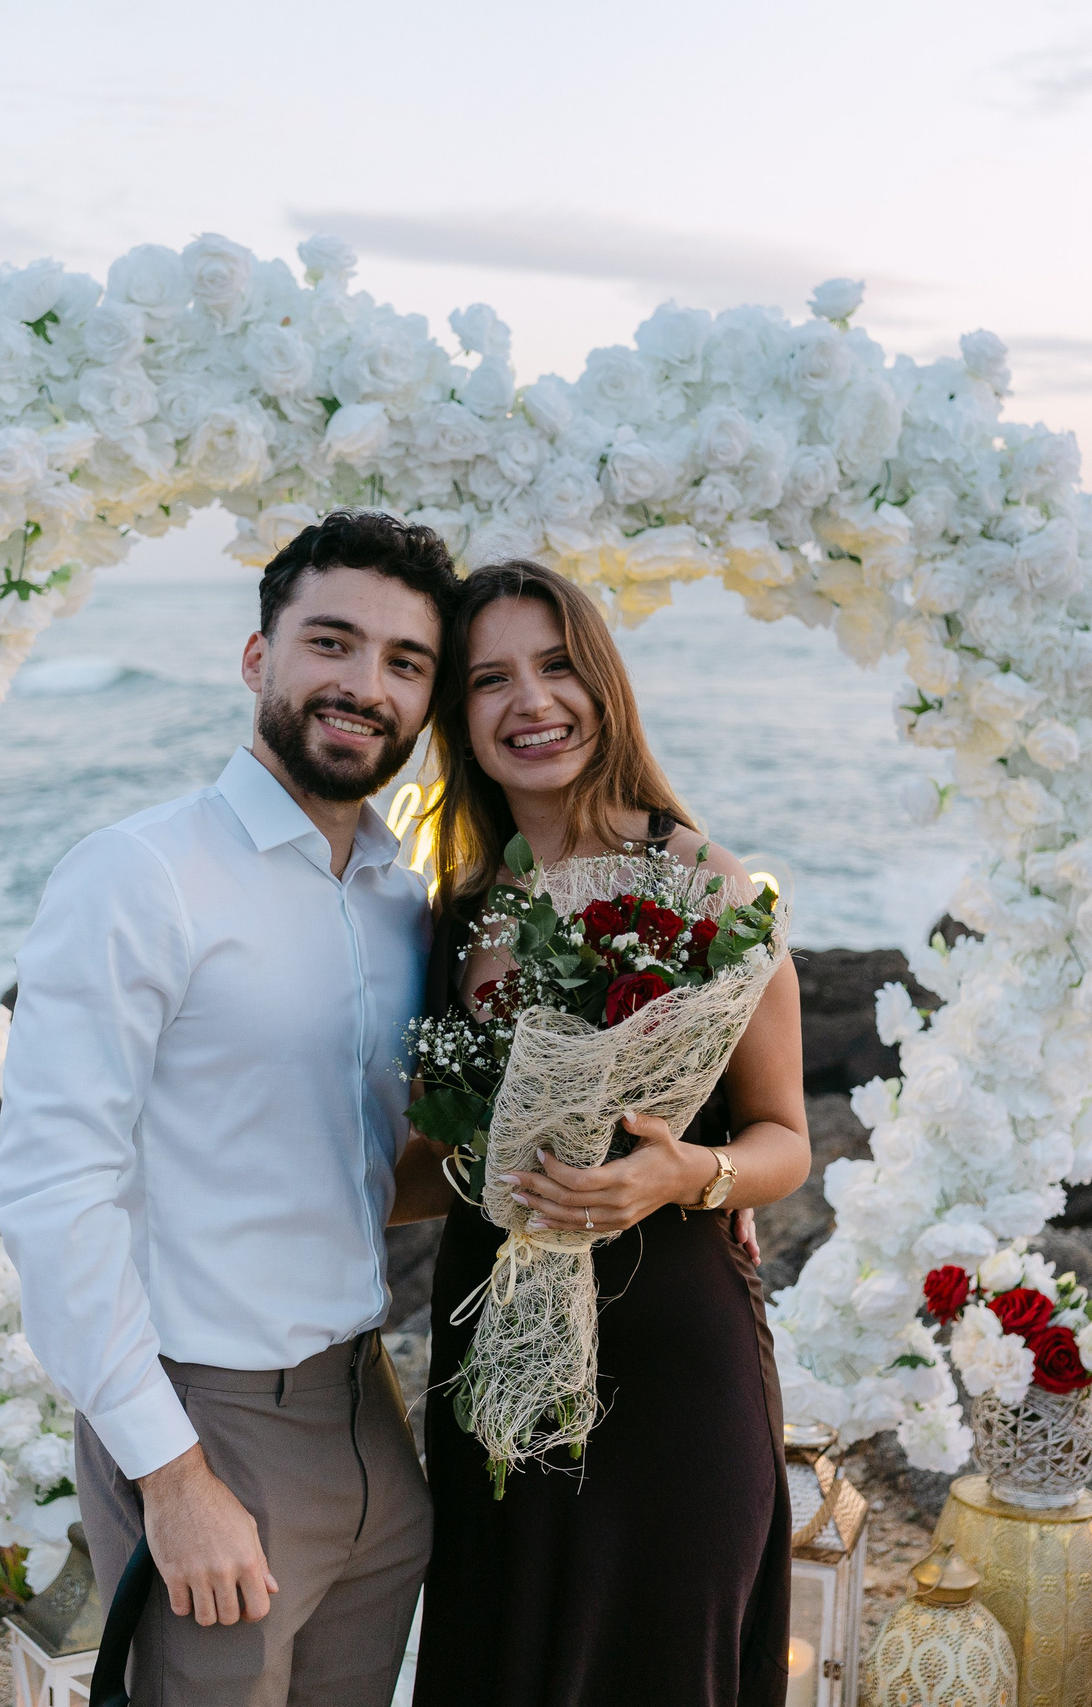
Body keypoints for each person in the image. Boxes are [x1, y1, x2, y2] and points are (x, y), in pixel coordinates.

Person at [0, 510, 457, 1707]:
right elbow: (52, 1193)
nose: (364, 685)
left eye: (405, 663)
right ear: (259, 659)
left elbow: (362, 1160)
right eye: (332, 643)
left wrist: (674, 1174)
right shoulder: (140, 875)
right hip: (211, 1424)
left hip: (370, 1410)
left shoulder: (400, 902)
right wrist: (171, 1475)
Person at [393, 560, 811, 1707]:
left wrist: (685, 1175)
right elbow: (428, 1171)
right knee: (501, 1663)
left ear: (604, 686)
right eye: (489, 679)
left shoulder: (708, 886)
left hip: (671, 1369)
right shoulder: (455, 912)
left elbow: (783, 1141)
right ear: (458, 719)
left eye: (558, 664)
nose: (531, 700)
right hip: (495, 1367)